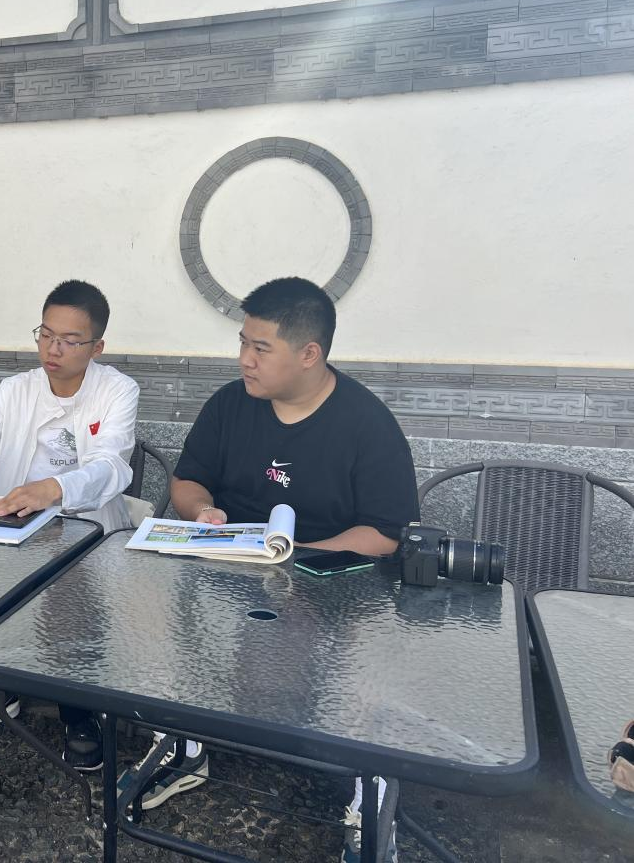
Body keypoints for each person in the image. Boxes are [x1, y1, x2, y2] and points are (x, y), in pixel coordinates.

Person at [153, 276, 419, 860]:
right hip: (229, 572)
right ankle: (180, 746)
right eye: (242, 343)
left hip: (337, 586)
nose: (244, 360)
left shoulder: (365, 423)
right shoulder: (230, 405)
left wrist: (302, 558)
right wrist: (202, 512)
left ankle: (370, 796)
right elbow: (188, 480)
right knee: (154, 615)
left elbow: (385, 533)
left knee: (373, 664)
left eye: (260, 348)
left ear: (308, 354)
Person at [0, 280, 139, 772]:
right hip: (15, 525)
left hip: (88, 527)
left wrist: (53, 489)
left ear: (97, 346)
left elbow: (112, 466)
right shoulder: (16, 389)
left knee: (72, 593)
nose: (53, 349)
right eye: (46, 335)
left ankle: (77, 709)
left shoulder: (117, 390)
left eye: (70, 340)